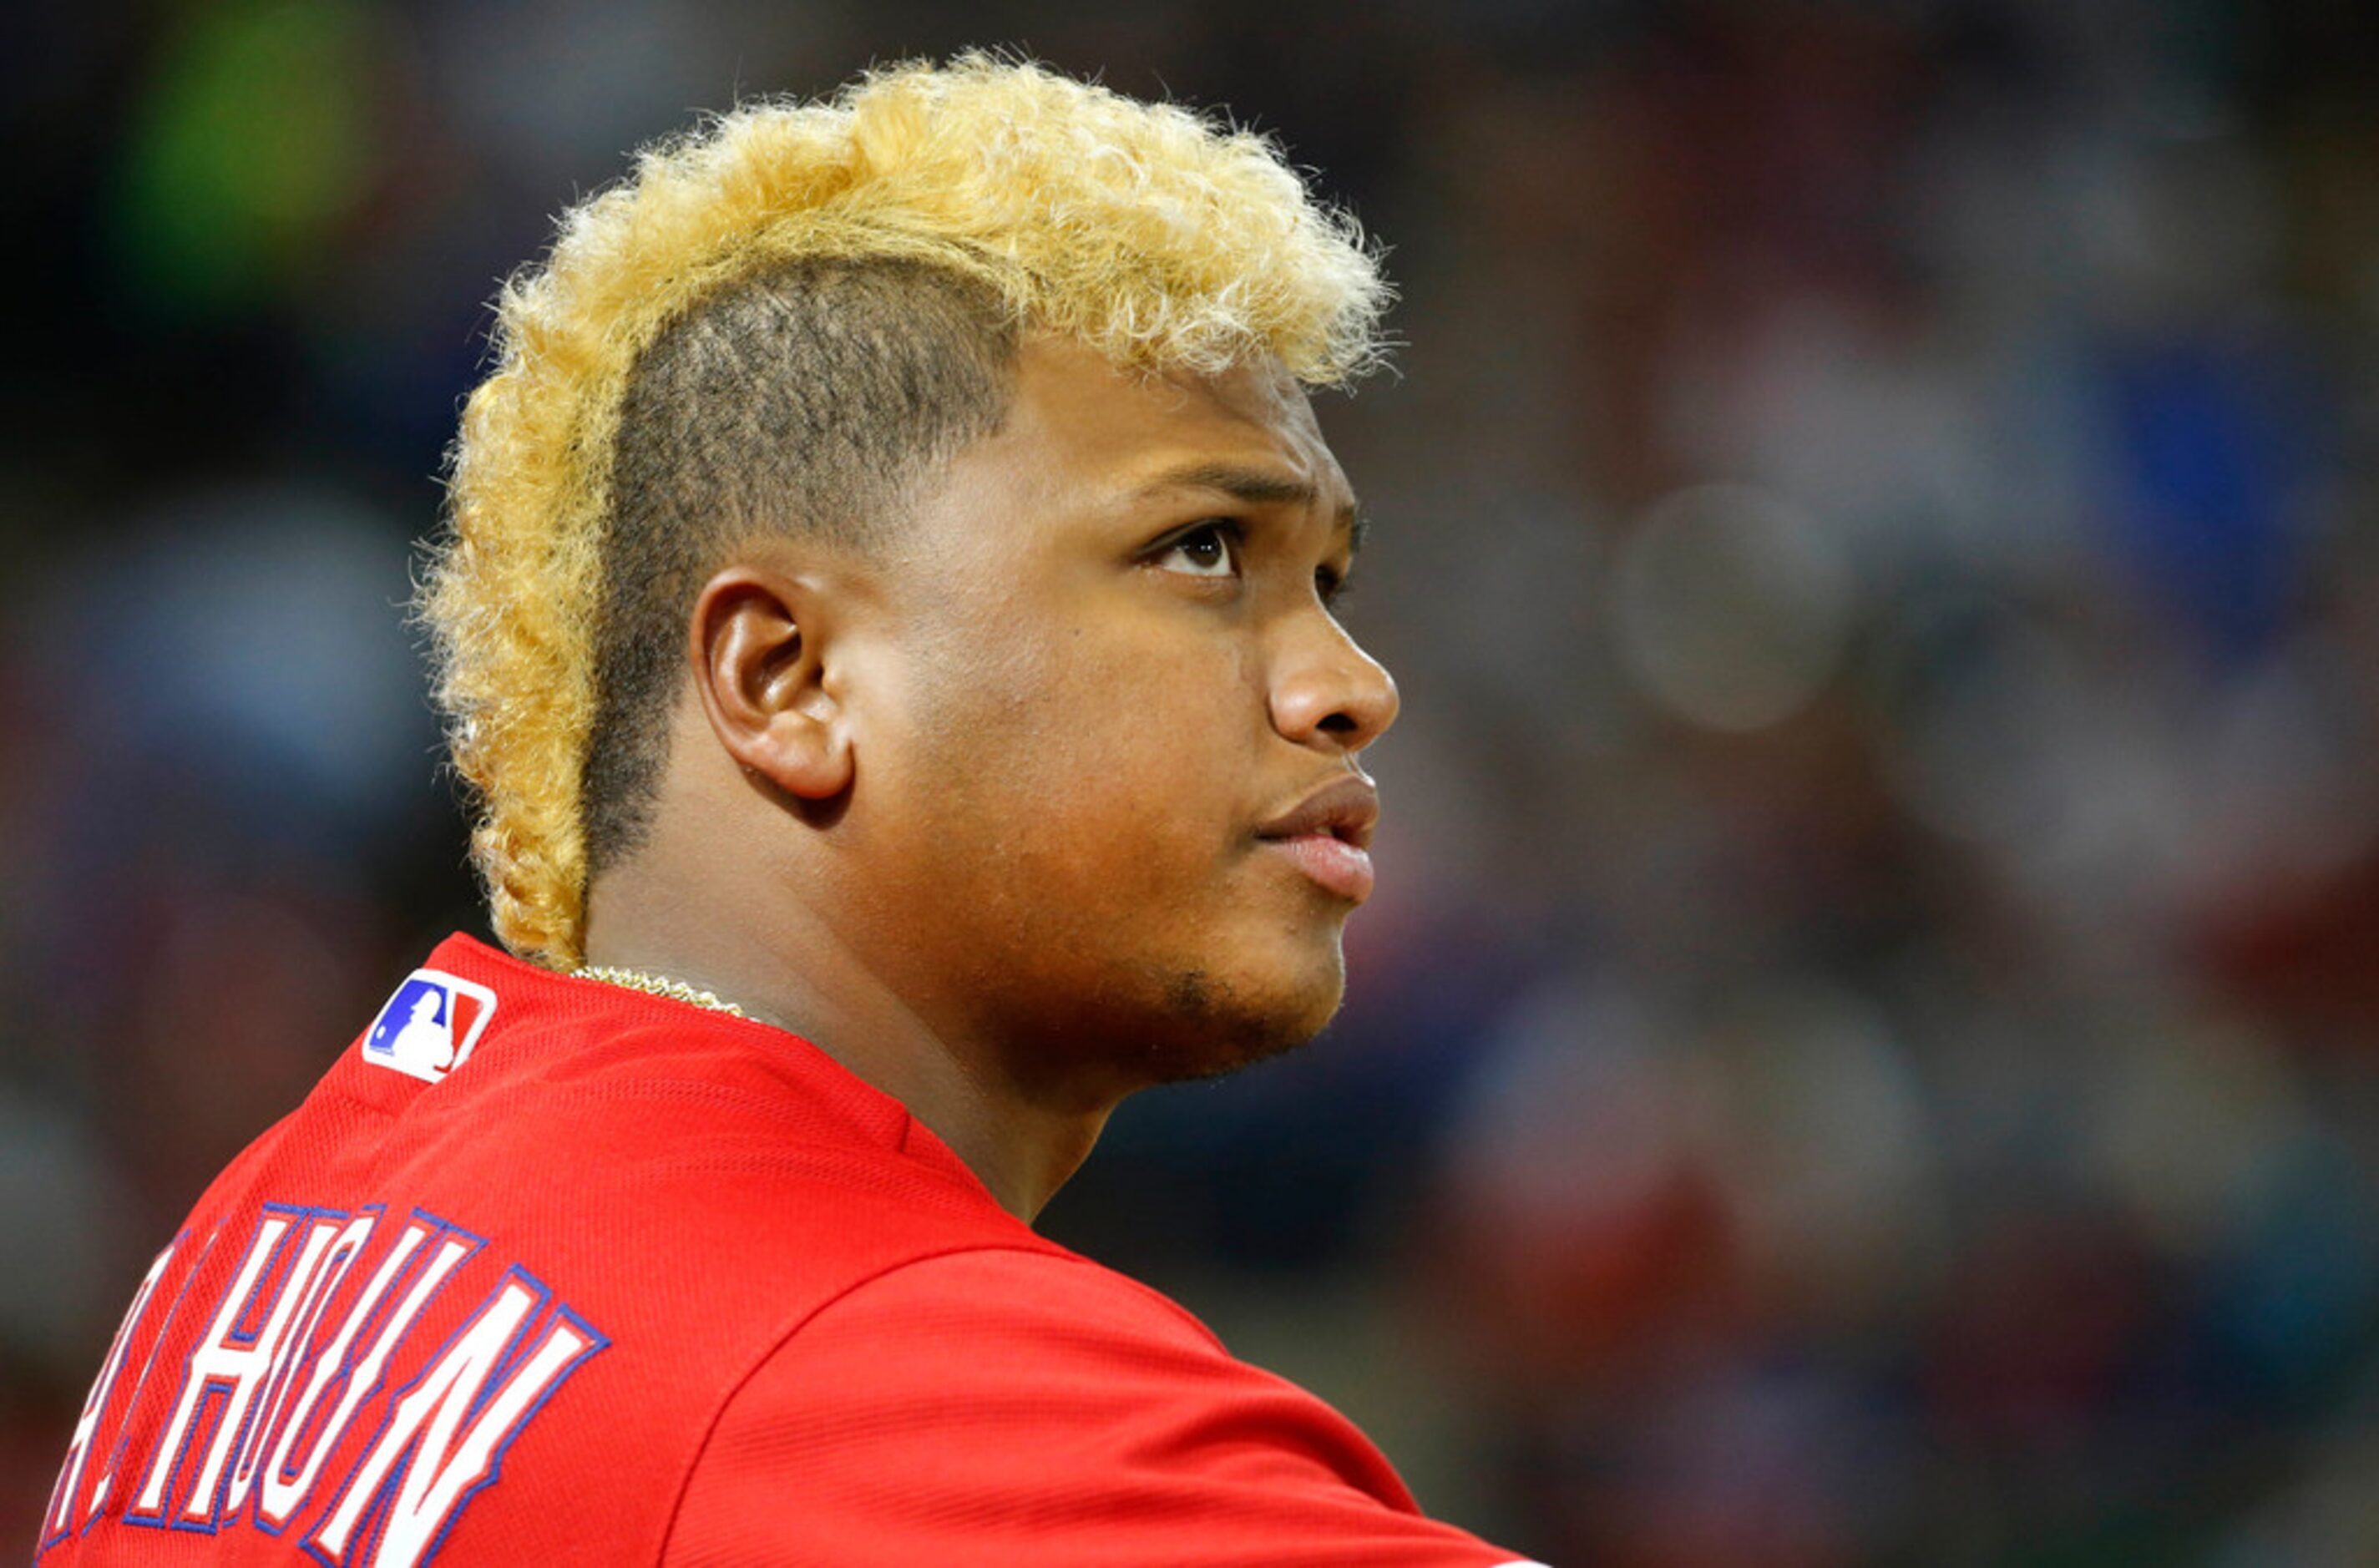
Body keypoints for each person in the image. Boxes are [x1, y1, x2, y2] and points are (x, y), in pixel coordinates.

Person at [38, 56, 1543, 1567]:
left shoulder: (270, 1239)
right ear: (787, 674)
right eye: (1204, 549)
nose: (1349, 686)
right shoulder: (907, 1390)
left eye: (1326, 582)